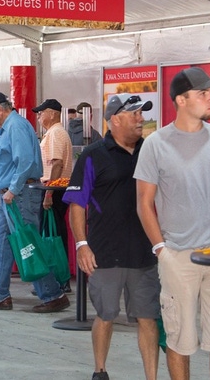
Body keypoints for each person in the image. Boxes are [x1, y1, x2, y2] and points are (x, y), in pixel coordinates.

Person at [134, 67, 210, 380]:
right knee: (179, 341)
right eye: (203, 93)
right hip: (177, 255)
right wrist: (161, 249)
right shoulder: (156, 144)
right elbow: (144, 203)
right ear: (181, 100)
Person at [63, 93, 159, 380]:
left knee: (148, 317)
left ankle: (151, 377)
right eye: (135, 114)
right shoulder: (93, 155)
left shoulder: (150, 151)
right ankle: (100, 371)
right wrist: (82, 245)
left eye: (142, 114)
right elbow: (77, 204)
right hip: (105, 252)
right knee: (105, 316)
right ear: (114, 119)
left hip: (144, 251)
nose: (141, 119)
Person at [0, 92, 70, 313]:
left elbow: (25, 161)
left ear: (0, 109)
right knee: (0, 245)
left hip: (18, 194)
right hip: (10, 194)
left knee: (29, 243)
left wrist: (14, 189)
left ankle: (53, 294)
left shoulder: (15, 126)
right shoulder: (10, 127)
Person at [32, 98, 74, 292]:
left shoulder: (56, 133)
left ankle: (59, 279)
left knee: (53, 236)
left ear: (52, 113)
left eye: (41, 113)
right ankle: (58, 278)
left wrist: (49, 194)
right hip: (56, 189)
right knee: (53, 234)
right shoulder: (55, 133)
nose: (39, 117)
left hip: (54, 190)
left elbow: (56, 163)